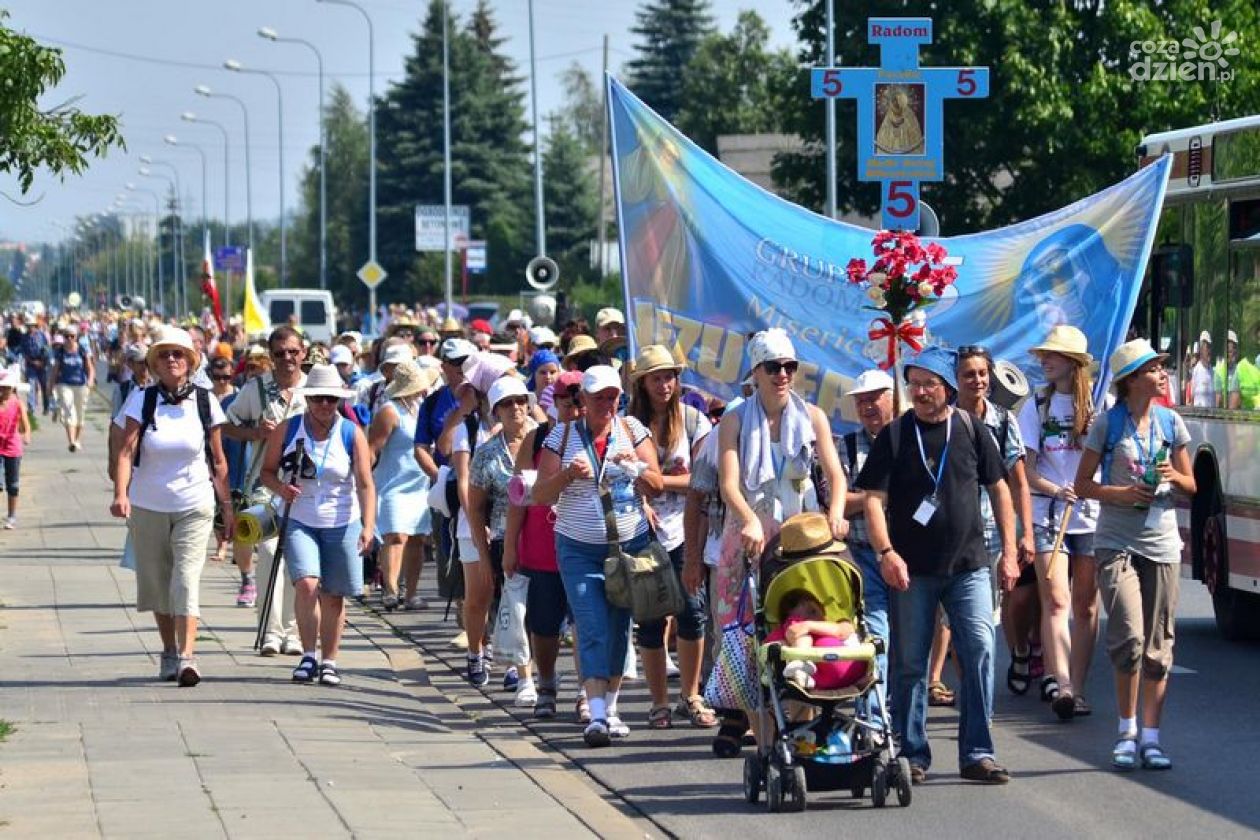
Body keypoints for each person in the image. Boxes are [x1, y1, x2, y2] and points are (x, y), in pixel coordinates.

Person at [856, 345, 1018, 785]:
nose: (921, 392)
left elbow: (1000, 488)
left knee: (980, 652)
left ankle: (978, 753)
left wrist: (1011, 550)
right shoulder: (894, 435)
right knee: (909, 662)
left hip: (969, 566)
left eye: (929, 384)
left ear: (947, 388)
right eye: (914, 384)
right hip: (913, 571)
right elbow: (873, 498)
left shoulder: (970, 427)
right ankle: (912, 754)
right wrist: (886, 552)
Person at [712, 328, 849, 756]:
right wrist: (750, 519)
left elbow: (835, 475)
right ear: (756, 372)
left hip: (799, 539)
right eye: (774, 367)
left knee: (802, 631)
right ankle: (768, 742)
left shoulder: (812, 417)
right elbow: (728, 484)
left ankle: (802, 733)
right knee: (747, 641)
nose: (783, 375)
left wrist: (836, 513)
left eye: (790, 367)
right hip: (749, 539)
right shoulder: (734, 419)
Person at [1074, 339, 1194, 771]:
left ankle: (1152, 738)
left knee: (1159, 647)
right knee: (1129, 637)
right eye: (1154, 368)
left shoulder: (1170, 422)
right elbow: (1083, 484)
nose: (1163, 374)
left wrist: (1173, 476)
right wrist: (1121, 493)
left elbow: (1193, 486)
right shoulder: (1108, 424)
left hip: (1161, 542)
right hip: (1115, 541)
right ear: (1132, 379)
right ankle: (1125, 731)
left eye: (1163, 367)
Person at [533, 365, 664, 747]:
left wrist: (634, 468)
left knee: (620, 626)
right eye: (600, 397)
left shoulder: (632, 430)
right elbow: (540, 495)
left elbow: (656, 485)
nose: (608, 404)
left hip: (628, 546)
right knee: (591, 625)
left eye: (613, 397)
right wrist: (568, 476)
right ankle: (596, 714)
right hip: (578, 548)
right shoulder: (562, 434)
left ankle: (611, 705)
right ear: (583, 401)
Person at [110, 327, 233, 687]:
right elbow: (126, 450)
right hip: (148, 504)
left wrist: (226, 504)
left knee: (185, 578)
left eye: (178, 354)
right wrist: (121, 494)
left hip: (195, 502)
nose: (172, 360)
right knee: (158, 582)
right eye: (164, 355)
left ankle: (187, 656)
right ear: (155, 363)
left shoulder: (206, 401)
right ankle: (167, 649)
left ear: (190, 361)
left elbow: (219, 459)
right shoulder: (142, 400)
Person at [261, 364, 376, 687]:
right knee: (307, 585)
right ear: (307, 399)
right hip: (300, 518)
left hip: (343, 520)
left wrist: (368, 526)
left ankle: (330, 660)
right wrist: (281, 488)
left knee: (334, 594)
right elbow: (267, 472)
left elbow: (366, 484)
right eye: (317, 399)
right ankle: (308, 654)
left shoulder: (352, 433)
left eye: (330, 399)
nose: (324, 405)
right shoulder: (288, 429)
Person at [627, 344, 718, 730]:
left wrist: (657, 482)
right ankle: (659, 702)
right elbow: (624, 478)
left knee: (691, 611)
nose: (664, 384)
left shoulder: (695, 420)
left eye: (670, 376)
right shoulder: (628, 424)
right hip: (641, 528)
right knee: (650, 616)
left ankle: (691, 695)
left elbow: (702, 481)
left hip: (687, 526)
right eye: (656, 377)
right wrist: (651, 486)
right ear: (642, 383)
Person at [1019, 326, 1102, 719]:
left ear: (1072, 362)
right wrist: (1056, 489)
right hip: (1048, 514)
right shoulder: (1034, 404)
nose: (1044, 361)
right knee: (1056, 600)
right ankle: (1062, 686)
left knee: (1085, 606)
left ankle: (1080, 687)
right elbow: (1027, 470)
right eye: (1043, 355)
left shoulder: (1101, 405)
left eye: (1051, 355)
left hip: (1092, 517)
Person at [955, 345, 1037, 695]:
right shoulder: (945, 419)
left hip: (992, 531)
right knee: (961, 622)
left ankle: (1016, 653)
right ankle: (972, 692)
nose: (977, 380)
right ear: (956, 380)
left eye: (982, 373)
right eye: (969, 374)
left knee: (985, 618)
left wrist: (1026, 535)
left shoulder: (1003, 421)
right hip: (954, 535)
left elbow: (1019, 483)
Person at [222, 327, 307, 657]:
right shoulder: (256, 389)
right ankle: (270, 631)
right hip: (266, 487)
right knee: (271, 555)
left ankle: (293, 632)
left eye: (293, 351)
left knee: (296, 563)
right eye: (280, 353)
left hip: (307, 490)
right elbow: (226, 424)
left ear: (303, 353)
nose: (287, 358)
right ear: (271, 356)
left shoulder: (315, 389)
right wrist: (256, 431)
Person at [505, 371, 584, 719]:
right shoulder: (536, 440)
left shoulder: (599, 437)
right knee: (544, 625)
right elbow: (518, 497)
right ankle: (547, 683)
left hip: (586, 545)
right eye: (567, 405)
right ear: (553, 407)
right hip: (542, 547)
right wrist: (510, 547)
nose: (575, 412)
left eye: (579, 405)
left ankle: (587, 691)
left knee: (586, 622)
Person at [465, 377, 537, 704]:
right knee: (512, 606)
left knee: (541, 609)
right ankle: (519, 669)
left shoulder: (547, 440)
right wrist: (482, 556)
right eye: (506, 404)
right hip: (504, 538)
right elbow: (476, 508)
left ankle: (531, 666)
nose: (515, 408)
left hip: (543, 534)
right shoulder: (486, 454)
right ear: (495, 412)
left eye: (520, 400)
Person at [836, 369, 895, 691]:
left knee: (910, 642)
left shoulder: (910, 439)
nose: (867, 407)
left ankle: (897, 714)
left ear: (892, 398)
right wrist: (879, 496)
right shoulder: (845, 446)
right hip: (862, 555)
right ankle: (874, 718)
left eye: (873, 398)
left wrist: (865, 496)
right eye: (861, 402)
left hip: (908, 554)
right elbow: (836, 503)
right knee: (875, 635)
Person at [368, 359, 438, 611]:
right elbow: (373, 448)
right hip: (393, 482)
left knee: (417, 538)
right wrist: (363, 479)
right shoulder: (389, 410)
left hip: (419, 482)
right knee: (396, 535)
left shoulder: (423, 408)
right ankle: (390, 589)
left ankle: (412, 593)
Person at [769, 589, 862, 691]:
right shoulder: (793, 632)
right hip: (814, 679)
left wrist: (808, 625)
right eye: (800, 618)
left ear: (822, 608)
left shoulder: (836, 624)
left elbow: (842, 631)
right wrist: (790, 634)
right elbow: (772, 646)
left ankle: (802, 662)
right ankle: (802, 664)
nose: (811, 618)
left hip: (853, 668)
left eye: (812, 611)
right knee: (791, 672)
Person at [51, 324, 94, 452]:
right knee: (69, 410)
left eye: (72, 336)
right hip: (64, 384)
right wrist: (51, 386)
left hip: (81, 384)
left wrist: (90, 380)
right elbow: (55, 370)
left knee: (80, 413)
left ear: (76, 337)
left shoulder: (82, 350)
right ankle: (71, 441)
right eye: (66, 336)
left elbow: (90, 368)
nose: (69, 339)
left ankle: (77, 439)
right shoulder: (60, 352)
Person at [0, 367, 32, 529]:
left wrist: (26, 434)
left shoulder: (18, 403)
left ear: (13, 388)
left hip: (13, 447)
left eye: (7, 387)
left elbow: (25, 424)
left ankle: (11, 516)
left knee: (12, 484)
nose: (4, 390)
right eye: (2, 387)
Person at [1189, 332, 1215, 408]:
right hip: (1200, 414)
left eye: (1210, 347)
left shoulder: (1212, 371)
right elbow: (1192, 395)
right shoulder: (1197, 370)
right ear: (1201, 350)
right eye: (1207, 348)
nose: (1209, 351)